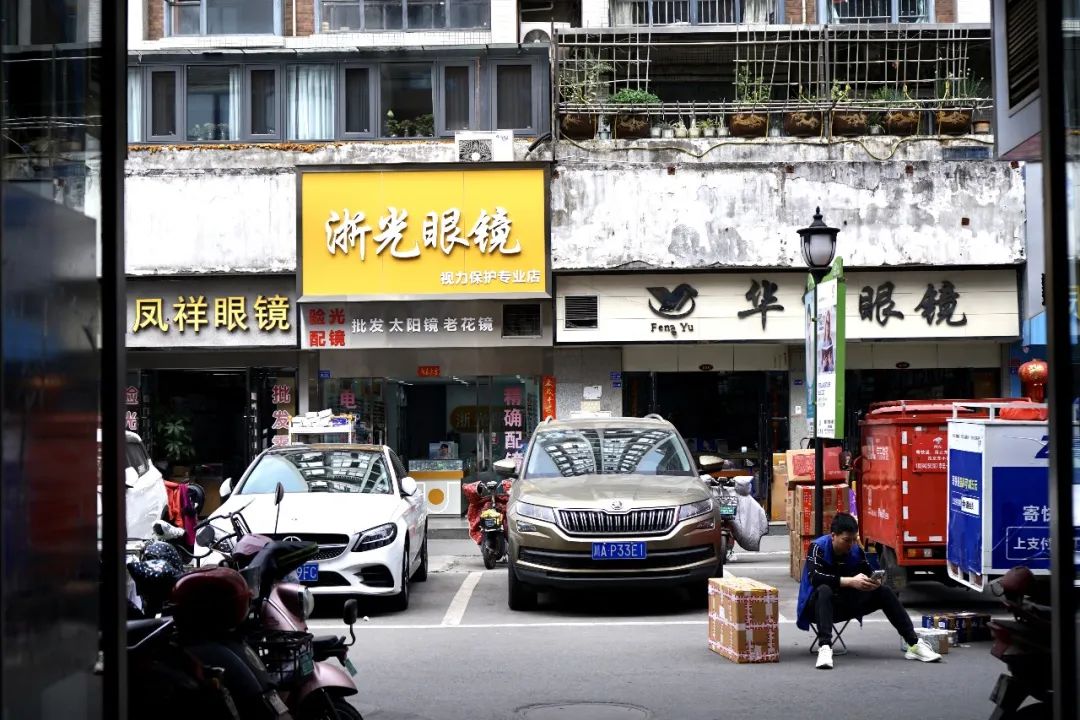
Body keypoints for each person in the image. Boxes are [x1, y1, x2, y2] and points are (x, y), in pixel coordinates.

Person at [796, 512, 941, 669]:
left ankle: (914, 643)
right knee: (824, 589)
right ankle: (824, 647)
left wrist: (873, 582)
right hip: (816, 607)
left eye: (853, 540)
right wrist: (850, 581)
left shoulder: (855, 551)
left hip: (844, 604)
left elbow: (868, 572)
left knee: (884, 592)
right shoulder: (817, 547)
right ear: (833, 536)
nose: (850, 545)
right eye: (846, 540)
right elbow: (815, 578)